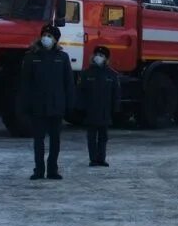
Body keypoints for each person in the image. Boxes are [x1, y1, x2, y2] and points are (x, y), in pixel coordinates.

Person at [20, 24, 75, 180]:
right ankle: (39, 169)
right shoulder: (31, 56)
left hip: (57, 105)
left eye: (50, 37)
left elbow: (69, 83)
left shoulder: (62, 58)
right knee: (38, 140)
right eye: (44, 35)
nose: (46, 39)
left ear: (55, 40)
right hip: (38, 105)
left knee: (55, 141)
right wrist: (25, 104)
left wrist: (70, 104)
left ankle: (52, 170)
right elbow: (25, 84)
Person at [76, 45, 121, 167]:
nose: (98, 57)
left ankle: (101, 158)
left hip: (105, 111)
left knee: (103, 137)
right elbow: (80, 92)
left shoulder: (112, 74)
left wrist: (116, 109)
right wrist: (80, 108)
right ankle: (93, 159)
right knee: (91, 137)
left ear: (106, 59)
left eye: (101, 56)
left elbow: (116, 93)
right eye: (97, 55)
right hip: (91, 110)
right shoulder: (86, 73)